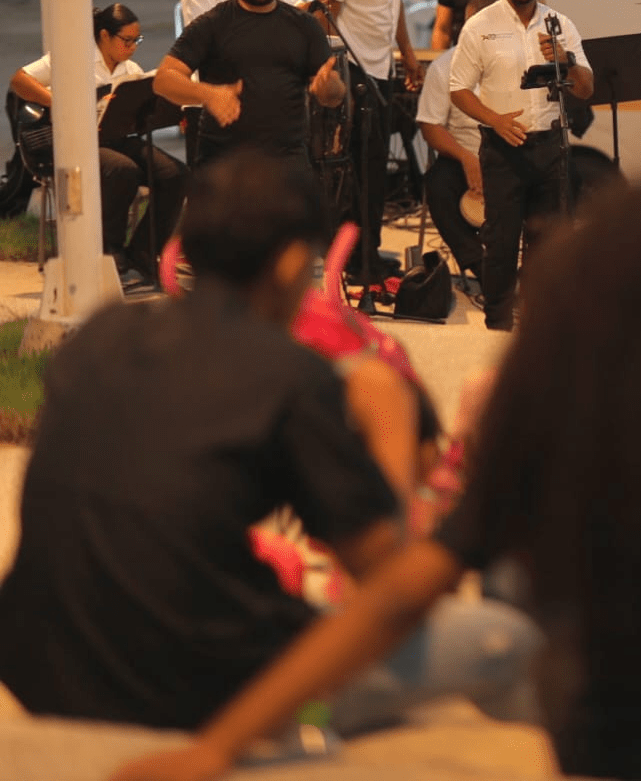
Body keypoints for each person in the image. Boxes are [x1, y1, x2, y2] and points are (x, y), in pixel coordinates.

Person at [108, 183, 641, 781]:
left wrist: (221, 746)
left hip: (619, 748)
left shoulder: (554, 425)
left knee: (507, 605)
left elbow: (402, 593)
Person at [0, 150, 536, 736]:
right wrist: (393, 424)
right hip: (197, 694)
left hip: (40, 670)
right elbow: (389, 590)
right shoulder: (291, 377)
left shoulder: (98, 337)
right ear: (288, 265)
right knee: (506, 641)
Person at [449, 0, 594, 332]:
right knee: (500, 244)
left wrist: (565, 60)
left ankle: (539, 327)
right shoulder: (480, 26)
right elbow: (458, 88)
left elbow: (585, 88)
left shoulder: (561, 25)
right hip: (502, 149)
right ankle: (496, 323)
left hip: (550, 147)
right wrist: (493, 119)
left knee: (547, 245)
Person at [8, 4, 187, 281]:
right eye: (126, 40)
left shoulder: (131, 69)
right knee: (122, 170)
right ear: (104, 36)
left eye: (136, 41)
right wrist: (58, 101)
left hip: (114, 136)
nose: (132, 47)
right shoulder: (74, 58)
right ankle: (108, 251)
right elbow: (20, 80)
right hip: (77, 140)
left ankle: (143, 252)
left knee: (174, 173)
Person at [155, 0, 346, 166]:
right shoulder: (214, 23)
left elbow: (335, 97)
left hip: (287, 162)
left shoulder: (304, 25)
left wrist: (329, 86)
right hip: (225, 164)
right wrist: (208, 94)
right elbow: (163, 79)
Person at [318, 0, 423, 276]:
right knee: (355, 170)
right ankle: (352, 261)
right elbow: (328, 14)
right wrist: (331, 73)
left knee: (376, 167)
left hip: (383, 64)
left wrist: (408, 54)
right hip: (353, 66)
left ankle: (370, 253)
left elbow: (394, 0)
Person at [416, 0, 494, 284]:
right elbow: (430, 126)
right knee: (437, 184)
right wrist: (466, 158)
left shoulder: (517, 63)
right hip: (463, 155)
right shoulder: (445, 66)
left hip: (509, 155)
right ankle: (480, 266)